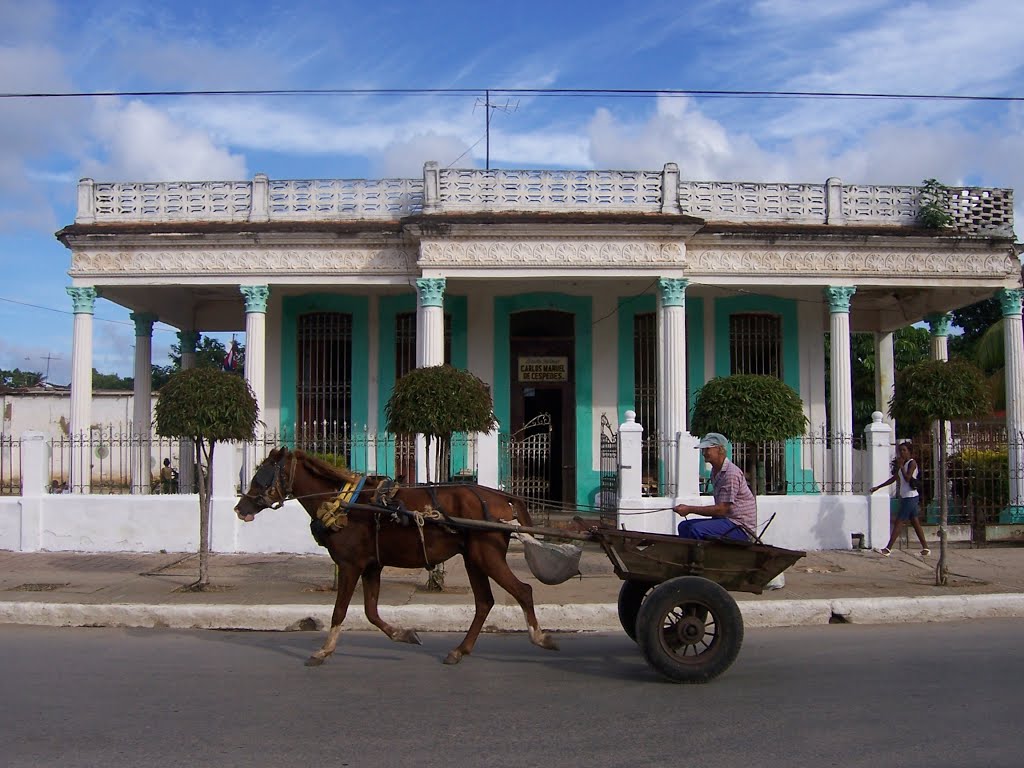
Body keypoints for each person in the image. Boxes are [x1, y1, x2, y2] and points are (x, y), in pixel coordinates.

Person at [673, 433, 756, 541]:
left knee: (695, 529)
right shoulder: (715, 471)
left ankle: (703, 557)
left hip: (740, 526)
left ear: (720, 449)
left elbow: (722, 509)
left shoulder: (731, 473)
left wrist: (689, 509)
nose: (704, 453)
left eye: (707, 449)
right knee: (684, 526)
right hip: (726, 521)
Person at [870, 441, 929, 556]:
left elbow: (907, 478)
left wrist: (901, 466)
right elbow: (894, 478)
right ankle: (926, 548)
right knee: (915, 522)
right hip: (906, 497)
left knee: (899, 521)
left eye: (904, 450)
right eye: (900, 450)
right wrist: (878, 487)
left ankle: (887, 549)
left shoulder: (912, 463)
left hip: (911, 497)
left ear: (909, 452)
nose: (901, 453)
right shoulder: (904, 464)